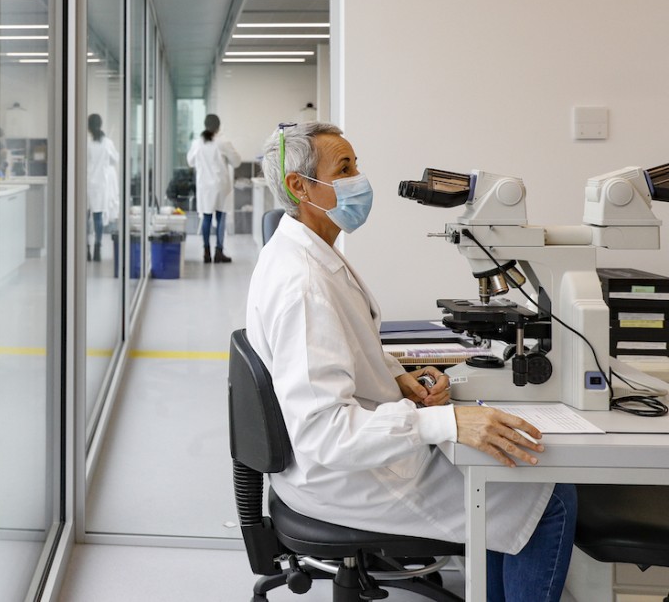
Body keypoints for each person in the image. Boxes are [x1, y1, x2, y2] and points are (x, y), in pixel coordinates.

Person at [246, 121, 575, 602]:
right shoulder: (303, 286)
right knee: (549, 498)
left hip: (346, 459)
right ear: (300, 186)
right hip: (342, 476)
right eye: (345, 168)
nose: (361, 178)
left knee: (508, 477)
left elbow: (348, 342)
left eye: (356, 164)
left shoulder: (307, 253)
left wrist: (401, 380)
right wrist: (445, 421)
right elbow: (325, 435)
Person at [186, 113, 241, 263]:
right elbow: (236, 162)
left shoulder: (197, 143)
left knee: (206, 217)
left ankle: (206, 252)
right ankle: (219, 251)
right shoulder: (223, 142)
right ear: (218, 126)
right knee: (221, 218)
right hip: (220, 185)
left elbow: (190, 162)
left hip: (205, 187)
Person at [86, 113, 119, 263]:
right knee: (97, 217)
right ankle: (97, 248)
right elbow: (115, 160)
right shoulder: (107, 142)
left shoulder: (87, 142)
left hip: (87, 183)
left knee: (86, 217)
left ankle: (86, 248)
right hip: (101, 184)